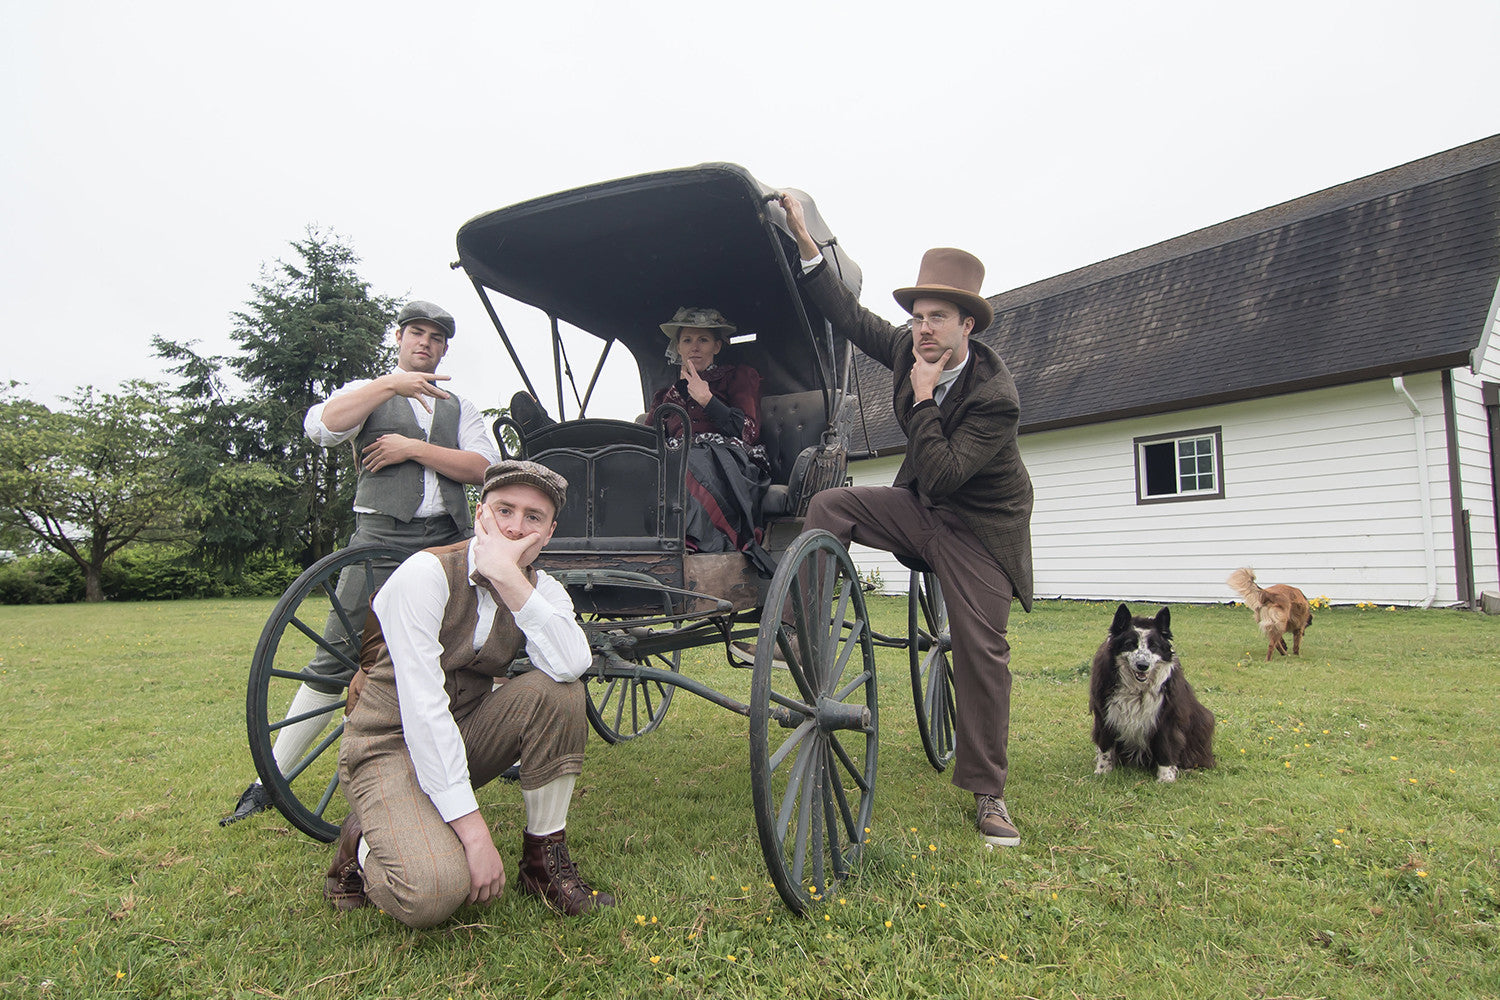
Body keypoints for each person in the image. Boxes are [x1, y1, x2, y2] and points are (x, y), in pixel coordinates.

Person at [778, 192, 1035, 848]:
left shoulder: (995, 398)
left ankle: (989, 793)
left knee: (982, 652)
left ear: (966, 326)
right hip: (923, 510)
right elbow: (844, 313)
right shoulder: (901, 347)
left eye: (937, 318)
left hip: (980, 528)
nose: (923, 330)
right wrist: (807, 242)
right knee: (831, 503)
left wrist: (921, 399)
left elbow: (948, 471)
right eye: (918, 317)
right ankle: (800, 632)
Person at [222, 300, 502, 826]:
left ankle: (481, 744)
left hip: (446, 539)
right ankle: (268, 781)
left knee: (467, 644)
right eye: (416, 333)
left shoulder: (460, 406)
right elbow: (323, 427)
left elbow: (483, 467)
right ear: (399, 338)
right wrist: (389, 387)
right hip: (377, 536)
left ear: (445, 348)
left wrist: (411, 449)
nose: (425, 343)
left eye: (436, 337)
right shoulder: (368, 392)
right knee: (336, 653)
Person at [324, 459, 613, 925]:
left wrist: (508, 578)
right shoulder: (425, 573)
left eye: (533, 518)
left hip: (464, 737)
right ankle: (358, 843)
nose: (516, 528)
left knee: (560, 691)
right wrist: (474, 833)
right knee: (434, 893)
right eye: (505, 510)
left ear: (549, 532)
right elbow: (422, 710)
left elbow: (572, 663)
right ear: (481, 512)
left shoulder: (543, 589)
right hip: (389, 744)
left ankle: (542, 864)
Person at [508, 306, 774, 575]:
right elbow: (646, 441)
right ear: (678, 347)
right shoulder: (665, 396)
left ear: (717, 346)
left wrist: (707, 399)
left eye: (703, 340)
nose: (695, 347)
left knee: (678, 463)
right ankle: (557, 440)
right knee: (627, 458)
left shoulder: (738, 376)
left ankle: (690, 536)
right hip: (676, 455)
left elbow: (748, 431)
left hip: (725, 460)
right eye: (687, 340)